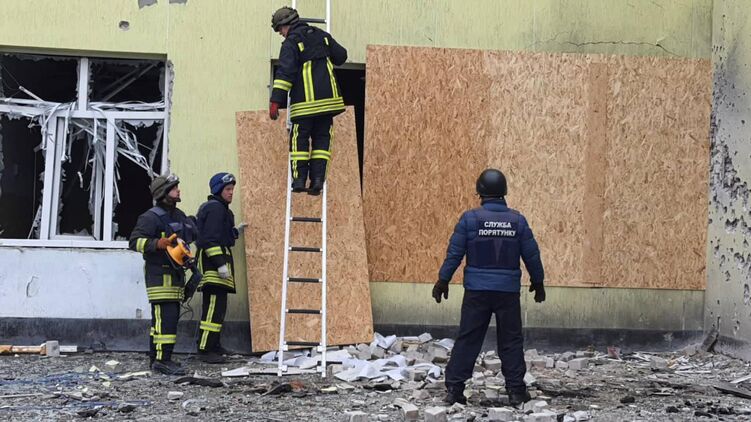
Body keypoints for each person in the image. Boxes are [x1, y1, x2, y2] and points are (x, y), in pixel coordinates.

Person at [433, 168, 546, 406]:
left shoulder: (470, 219)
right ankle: (516, 391)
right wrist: (538, 281)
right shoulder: (517, 220)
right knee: (511, 341)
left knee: (468, 339)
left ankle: (454, 390)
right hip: (507, 292)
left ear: (480, 192)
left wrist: (443, 280)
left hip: (477, 292)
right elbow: (532, 255)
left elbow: (454, 253)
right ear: (503, 192)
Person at [269, 6, 348, 195]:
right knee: (322, 141)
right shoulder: (322, 36)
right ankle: (318, 180)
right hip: (328, 104)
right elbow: (342, 56)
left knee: (299, 140)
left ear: (285, 25)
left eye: (279, 29)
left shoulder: (290, 43)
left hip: (304, 104)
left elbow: (285, 74)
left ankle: (299, 180)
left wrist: (275, 101)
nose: (280, 33)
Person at [129, 174, 197, 376]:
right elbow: (134, 242)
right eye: (174, 188)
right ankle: (161, 361)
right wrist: (157, 244)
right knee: (164, 320)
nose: (178, 191)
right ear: (163, 193)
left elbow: (186, 238)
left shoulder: (178, 215)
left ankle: (158, 357)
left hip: (175, 277)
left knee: (167, 320)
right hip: (159, 277)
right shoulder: (150, 217)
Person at [194, 172, 239, 363]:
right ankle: (205, 349)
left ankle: (215, 345)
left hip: (219, 267)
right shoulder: (214, 208)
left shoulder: (222, 210)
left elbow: (223, 237)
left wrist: (235, 232)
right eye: (228, 189)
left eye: (232, 190)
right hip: (213, 268)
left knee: (219, 309)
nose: (231, 193)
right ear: (218, 190)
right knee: (212, 308)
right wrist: (220, 265)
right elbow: (209, 240)